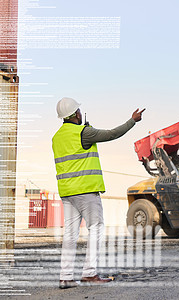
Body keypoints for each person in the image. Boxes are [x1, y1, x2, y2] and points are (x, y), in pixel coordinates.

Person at [52, 97, 144, 289]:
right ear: (76, 114)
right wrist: (132, 121)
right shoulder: (84, 132)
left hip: (67, 192)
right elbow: (111, 134)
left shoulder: (57, 137)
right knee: (96, 228)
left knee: (70, 234)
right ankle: (89, 273)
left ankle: (66, 277)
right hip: (86, 190)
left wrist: (86, 129)